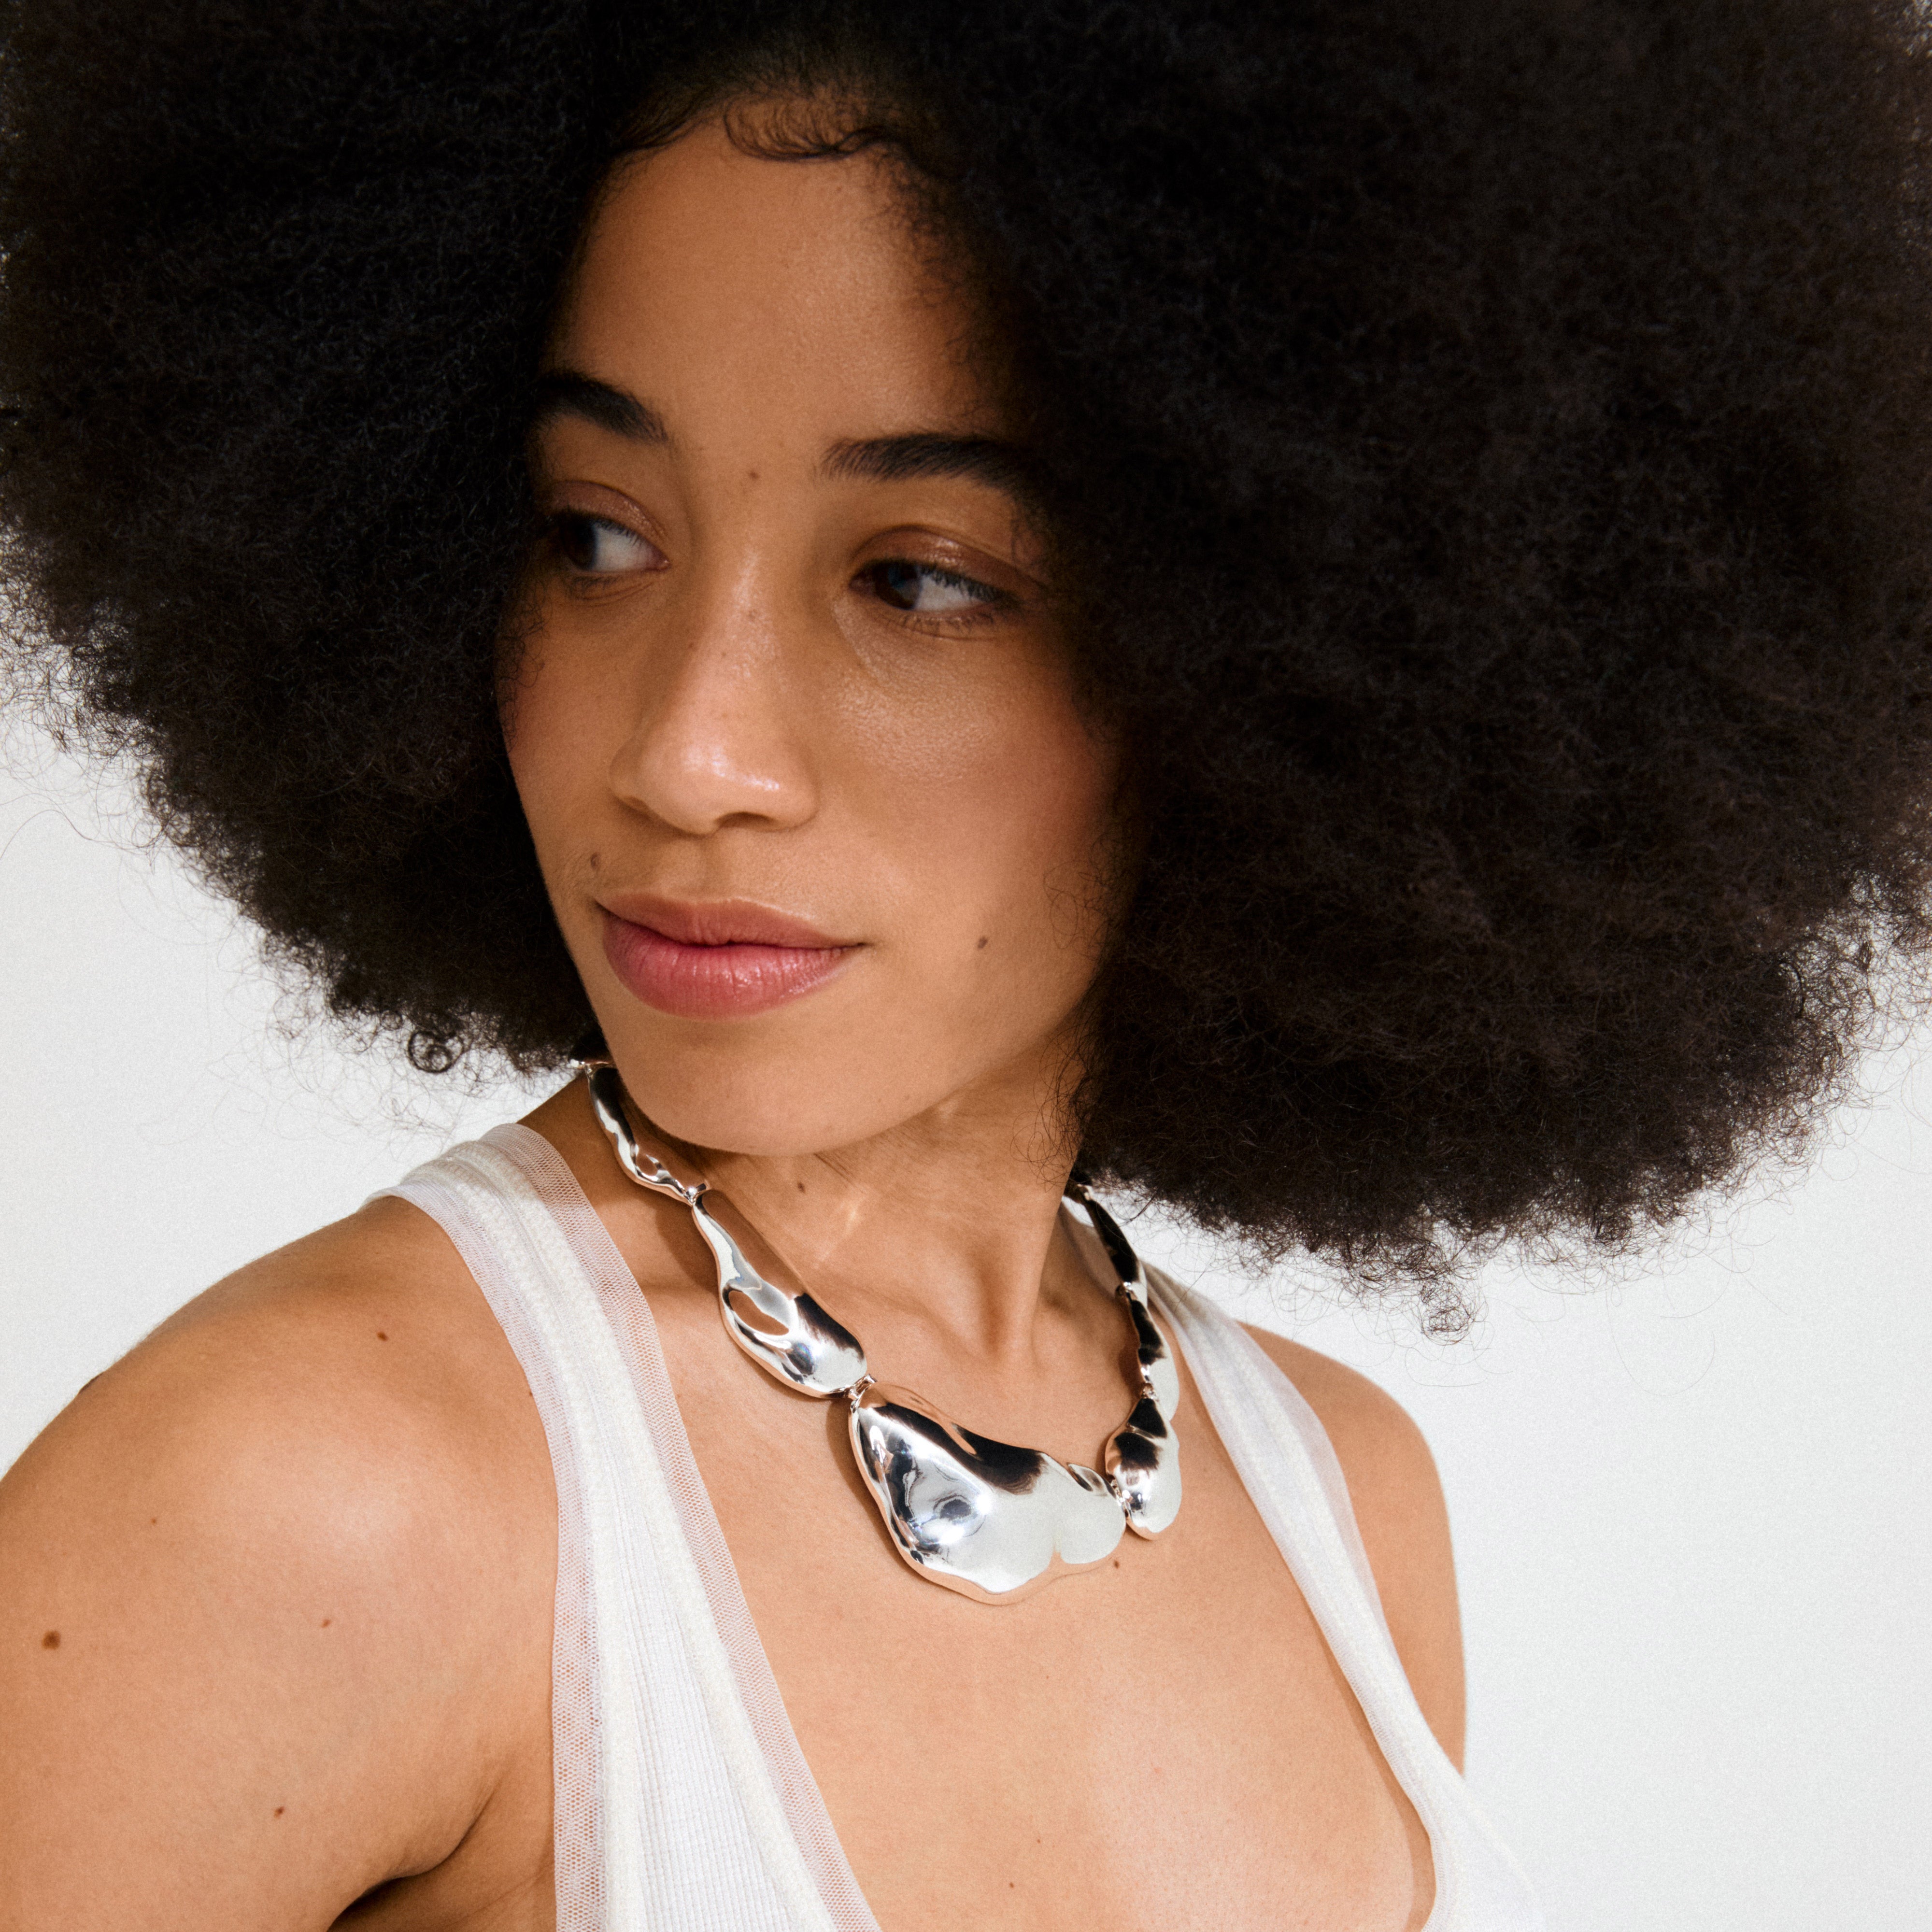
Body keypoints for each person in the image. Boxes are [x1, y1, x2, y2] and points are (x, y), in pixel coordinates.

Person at [4, 3, 1931, 1927]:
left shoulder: (1348, 1513)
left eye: (917, 578)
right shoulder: (308, 1506)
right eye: (588, 535)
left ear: (1277, 652)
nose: (689, 751)